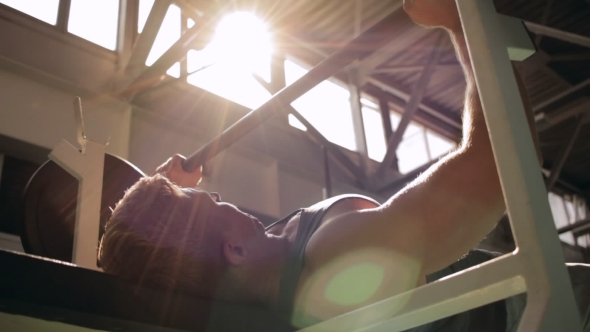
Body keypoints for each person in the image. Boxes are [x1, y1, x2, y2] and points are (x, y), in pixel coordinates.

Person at [98, 1, 590, 331]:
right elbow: (499, 163)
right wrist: (461, 22)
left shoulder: (273, 265)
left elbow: (155, 254)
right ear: (233, 250)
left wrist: (161, 193)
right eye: (216, 204)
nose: (222, 197)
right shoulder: (340, 257)